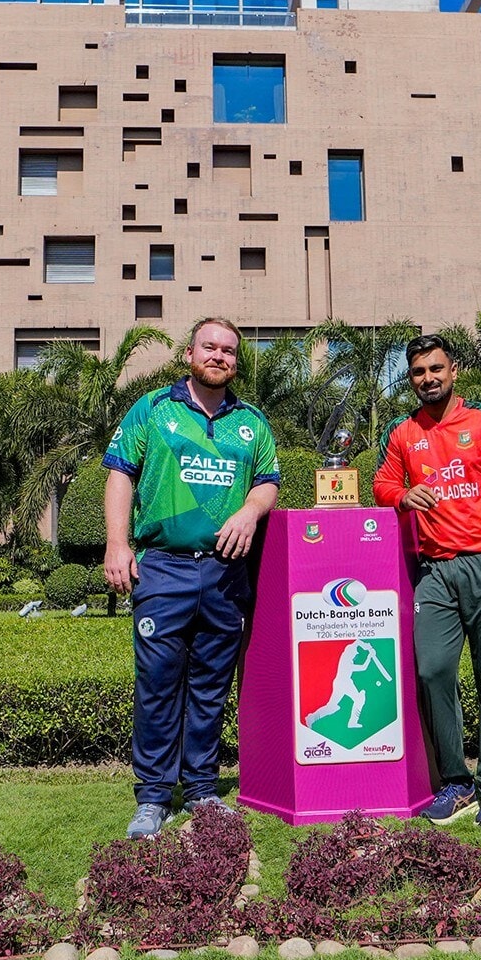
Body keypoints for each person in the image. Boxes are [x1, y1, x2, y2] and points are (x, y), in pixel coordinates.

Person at [104, 316, 281, 839]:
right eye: (210, 346)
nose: (219, 356)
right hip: (164, 568)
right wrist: (117, 543)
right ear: (190, 353)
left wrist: (250, 511)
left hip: (226, 573)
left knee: (210, 688)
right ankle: (153, 797)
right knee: (158, 685)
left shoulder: (252, 421)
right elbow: (120, 474)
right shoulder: (153, 408)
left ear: (236, 362)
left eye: (229, 350)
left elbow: (268, 482)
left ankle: (202, 790)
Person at [373, 334, 481, 829]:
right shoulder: (403, 433)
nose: (428, 378)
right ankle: (455, 781)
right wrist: (402, 496)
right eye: (419, 372)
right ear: (410, 378)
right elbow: (382, 483)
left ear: (454, 370)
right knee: (432, 671)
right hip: (435, 572)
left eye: (436, 368)